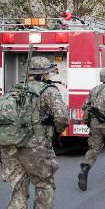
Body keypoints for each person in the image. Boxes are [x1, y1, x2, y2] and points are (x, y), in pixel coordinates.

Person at [0, 56, 68, 208]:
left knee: (17, 189)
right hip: (35, 146)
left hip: (8, 145)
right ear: (44, 74)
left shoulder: (15, 88)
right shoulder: (49, 91)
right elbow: (62, 118)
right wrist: (54, 132)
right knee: (44, 184)